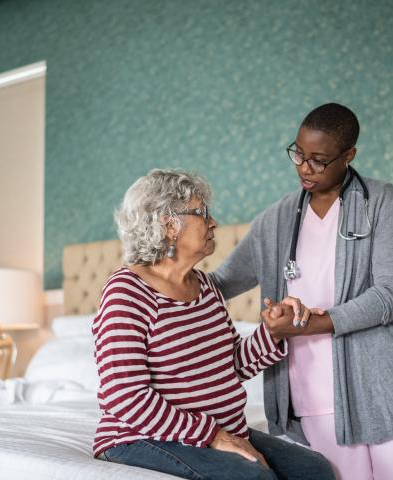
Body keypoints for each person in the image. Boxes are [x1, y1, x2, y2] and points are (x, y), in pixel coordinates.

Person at [210, 103, 393, 480]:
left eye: (319, 160)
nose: (305, 167)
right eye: (299, 154)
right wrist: (153, 278)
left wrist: (313, 323)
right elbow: (217, 285)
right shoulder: (274, 221)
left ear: (348, 155)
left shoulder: (381, 201)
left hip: (388, 388)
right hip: (314, 394)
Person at [93, 169, 335, 480]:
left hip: (215, 430)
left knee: (314, 469)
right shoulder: (127, 291)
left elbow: (228, 365)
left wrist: (273, 332)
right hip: (140, 437)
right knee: (255, 478)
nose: (213, 222)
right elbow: (125, 397)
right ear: (168, 224)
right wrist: (213, 436)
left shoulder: (205, 286)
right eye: (201, 212)